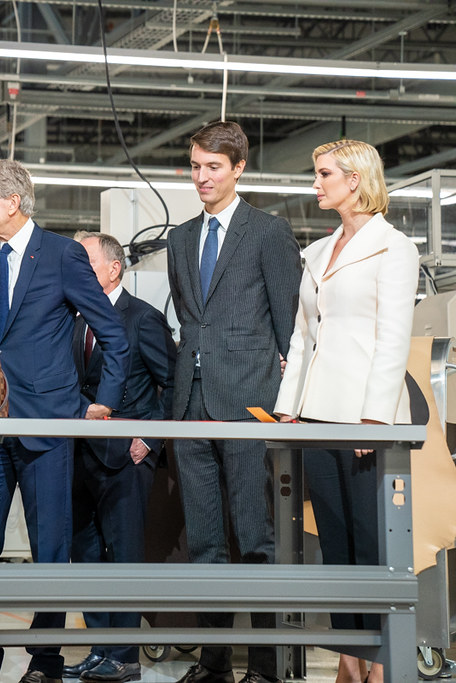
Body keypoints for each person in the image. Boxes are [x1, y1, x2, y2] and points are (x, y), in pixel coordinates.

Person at [0, 159, 130, 683]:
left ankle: (45, 661)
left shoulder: (62, 255)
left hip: (49, 426)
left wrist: (103, 402)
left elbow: (114, 334)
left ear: (12, 202)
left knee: (50, 552)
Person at [274, 139, 419, 683]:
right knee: (334, 543)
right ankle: (350, 660)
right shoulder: (317, 251)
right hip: (317, 414)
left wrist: (374, 420)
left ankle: (379, 664)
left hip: (365, 417)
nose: (315, 184)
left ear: (354, 180)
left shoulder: (394, 248)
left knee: (371, 541)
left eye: (324, 174)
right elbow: (303, 336)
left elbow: (393, 339)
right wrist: (289, 409)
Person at [165, 121, 301, 683]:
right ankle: (214, 662)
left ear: (238, 168)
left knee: (254, 537)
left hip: (248, 401)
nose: (202, 177)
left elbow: (291, 327)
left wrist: (290, 400)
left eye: (213, 167)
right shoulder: (179, 239)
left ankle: (264, 667)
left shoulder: (268, 232)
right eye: (196, 166)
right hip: (190, 403)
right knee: (203, 541)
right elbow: (189, 322)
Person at [60, 232, 176, 683]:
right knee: (85, 555)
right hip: (78, 454)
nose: (77, 270)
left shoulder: (142, 318)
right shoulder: (73, 318)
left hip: (126, 458)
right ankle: (100, 649)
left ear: (113, 268)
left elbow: (172, 382)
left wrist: (149, 438)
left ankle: (125, 655)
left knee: (124, 555)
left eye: (86, 261)